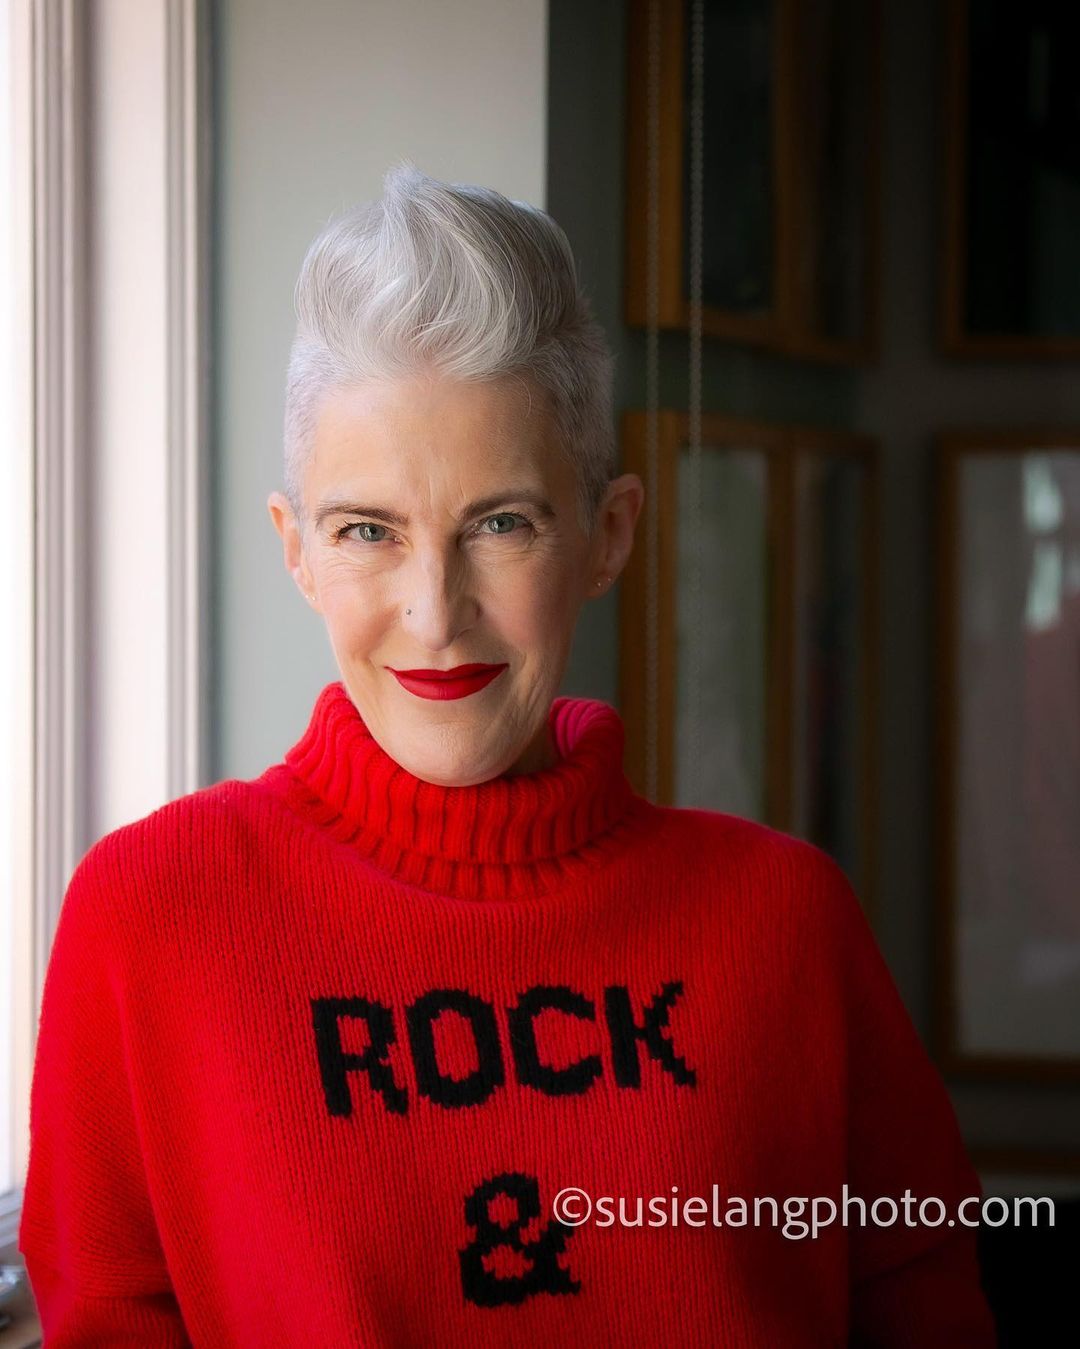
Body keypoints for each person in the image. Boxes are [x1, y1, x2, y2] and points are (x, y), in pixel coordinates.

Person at [18, 163, 997, 1347]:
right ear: (297, 550)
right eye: (367, 530)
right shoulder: (149, 918)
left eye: (501, 522)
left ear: (608, 532)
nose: (435, 612)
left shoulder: (787, 922)